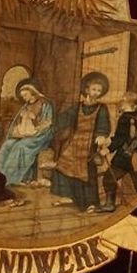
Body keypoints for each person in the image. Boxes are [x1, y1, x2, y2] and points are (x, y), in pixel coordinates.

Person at [50, 71, 111, 212]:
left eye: (99, 90)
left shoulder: (102, 108)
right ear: (87, 89)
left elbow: (104, 125)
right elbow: (65, 118)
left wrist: (101, 135)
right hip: (75, 142)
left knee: (88, 173)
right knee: (65, 166)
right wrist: (53, 121)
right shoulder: (78, 106)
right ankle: (70, 196)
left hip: (90, 144)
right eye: (94, 89)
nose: (96, 93)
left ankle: (91, 203)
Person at [0, 77, 55, 186]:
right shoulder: (26, 106)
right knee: (7, 145)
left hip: (41, 136)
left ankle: (12, 178)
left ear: (32, 92)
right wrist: (19, 132)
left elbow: (48, 123)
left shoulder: (45, 104)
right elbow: (18, 122)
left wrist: (34, 130)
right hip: (26, 134)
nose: (24, 98)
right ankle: (0, 175)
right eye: (22, 96)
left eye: (25, 95)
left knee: (20, 147)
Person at [105, 91, 137, 209]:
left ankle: (110, 204)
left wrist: (108, 149)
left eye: (123, 100)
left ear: (130, 103)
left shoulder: (125, 118)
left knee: (109, 178)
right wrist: (110, 140)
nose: (121, 102)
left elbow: (121, 138)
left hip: (125, 156)